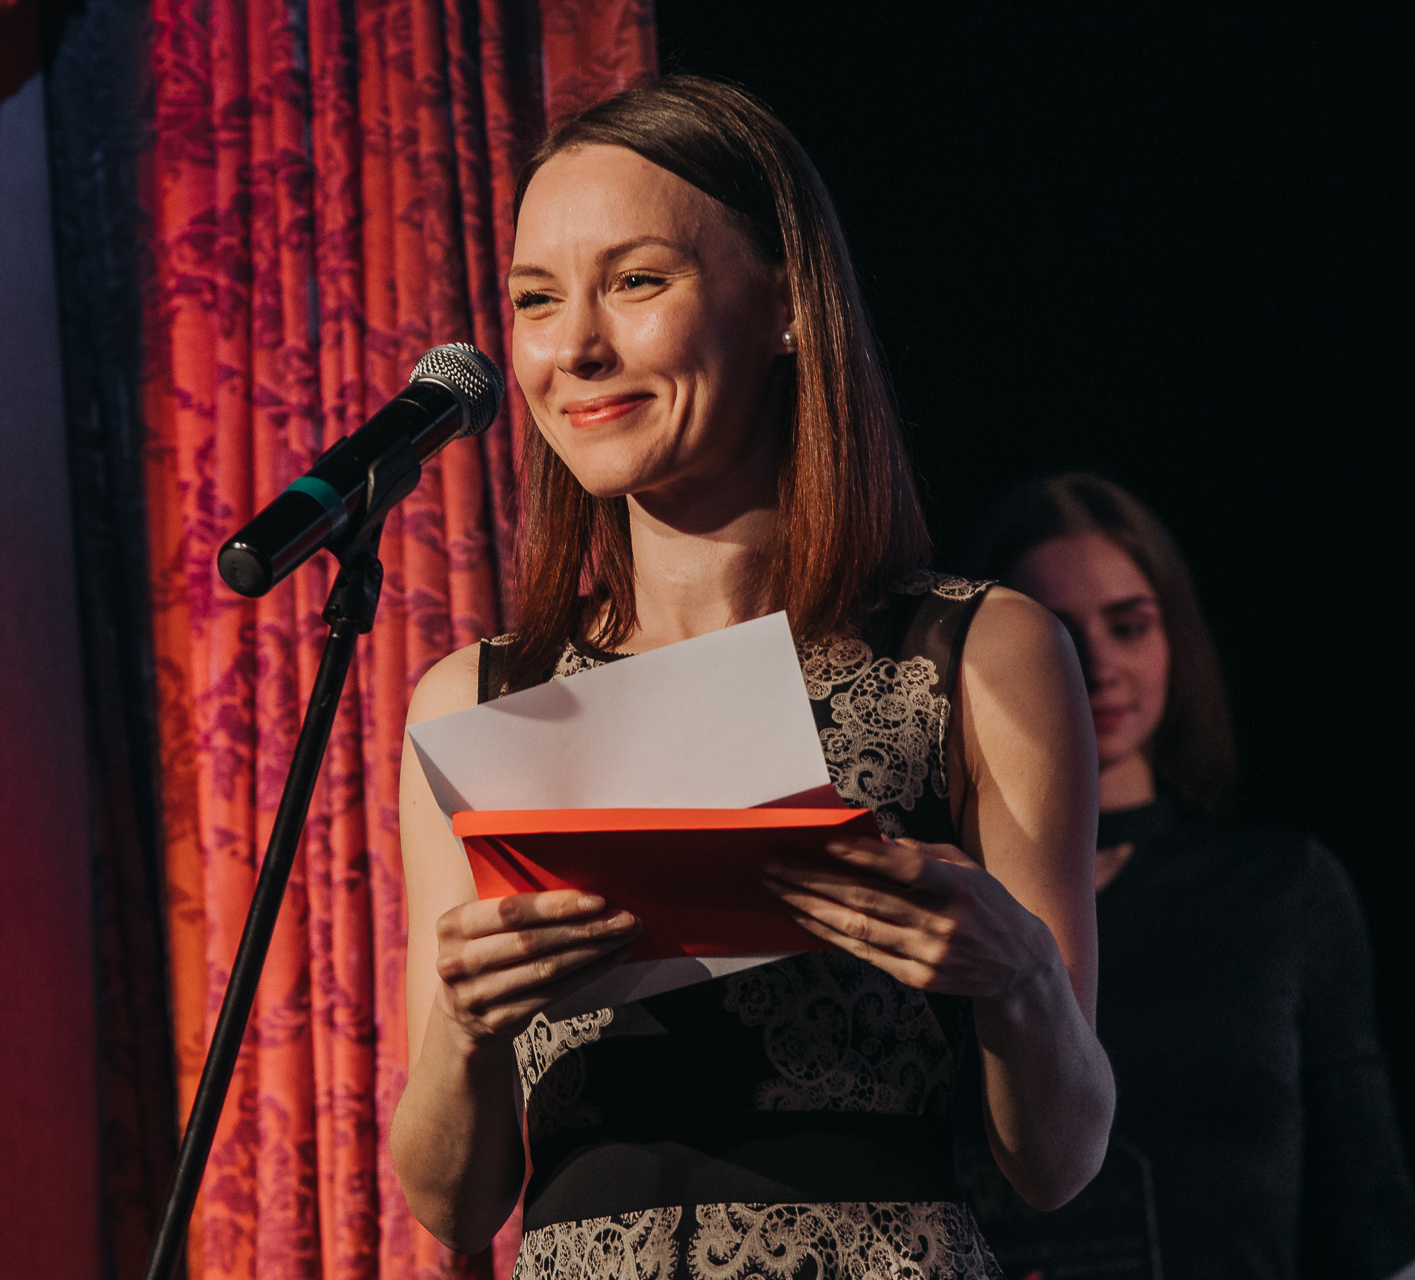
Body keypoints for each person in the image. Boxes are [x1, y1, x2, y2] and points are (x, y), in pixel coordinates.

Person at [387, 77, 1116, 1280]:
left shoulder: (976, 651)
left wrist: (1022, 974)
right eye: (535, 298)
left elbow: (1059, 1160)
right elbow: (452, 1203)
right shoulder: (482, 696)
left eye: (636, 281)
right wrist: (465, 1023)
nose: (576, 347)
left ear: (785, 305)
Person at [960, 473, 1415, 1280]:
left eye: (1128, 626)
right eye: (1056, 635)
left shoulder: (1282, 890)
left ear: (1175, 637)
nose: (1098, 665)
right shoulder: (950, 903)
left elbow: (1370, 1197)